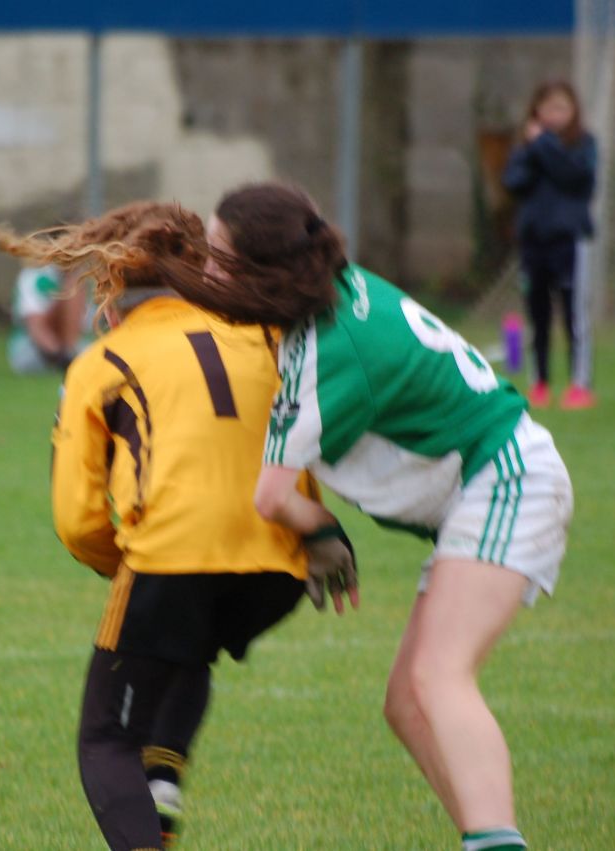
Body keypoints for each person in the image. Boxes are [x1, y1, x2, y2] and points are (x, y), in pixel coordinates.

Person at [168, 182, 573, 851]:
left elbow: (271, 497)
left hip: (507, 478)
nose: (208, 268)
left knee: (439, 676)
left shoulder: (324, 357)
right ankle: (490, 838)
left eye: (218, 254)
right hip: (494, 478)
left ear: (265, 270)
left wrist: (321, 532)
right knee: (408, 703)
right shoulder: (332, 288)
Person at [0, 201, 348, 851]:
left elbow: (76, 518)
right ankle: (163, 783)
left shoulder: (105, 360)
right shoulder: (265, 336)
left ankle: (149, 802)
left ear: (112, 279)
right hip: (279, 567)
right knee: (187, 644)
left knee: (105, 736)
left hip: (174, 557)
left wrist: (118, 562)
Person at [502, 81, 598, 410]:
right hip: (533, 243)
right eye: (549, 107)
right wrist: (533, 148)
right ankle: (539, 383)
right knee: (537, 315)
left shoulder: (584, 146)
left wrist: (543, 143)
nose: (555, 114)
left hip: (569, 242)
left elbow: (574, 178)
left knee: (575, 315)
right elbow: (513, 181)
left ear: (573, 112)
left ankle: (580, 385)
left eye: (562, 107)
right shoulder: (525, 150)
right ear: (537, 110)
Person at [7, 262, 87, 374]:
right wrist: (61, 357)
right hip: (32, 350)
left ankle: (69, 354)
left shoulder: (84, 277)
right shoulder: (35, 276)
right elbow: (36, 326)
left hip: (69, 345)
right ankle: (66, 356)